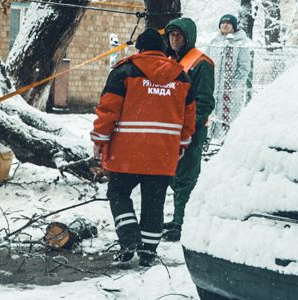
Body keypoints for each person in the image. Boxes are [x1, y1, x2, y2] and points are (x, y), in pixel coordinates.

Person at [91, 28, 196, 267]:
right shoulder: (181, 78)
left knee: (118, 193)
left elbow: (108, 110)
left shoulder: (125, 71)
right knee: (154, 202)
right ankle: (148, 252)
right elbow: (189, 119)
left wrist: (99, 140)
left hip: (127, 152)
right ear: (162, 50)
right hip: (162, 154)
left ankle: (128, 239)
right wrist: (182, 144)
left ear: (139, 48)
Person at [162, 18, 216, 242]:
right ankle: (178, 218)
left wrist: (187, 130)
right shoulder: (169, 60)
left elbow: (204, 103)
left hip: (190, 131)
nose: (174, 39)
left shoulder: (201, 64)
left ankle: (182, 222)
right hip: (171, 129)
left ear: (188, 38)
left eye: (179, 35)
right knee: (173, 178)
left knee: (186, 178)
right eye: (171, 35)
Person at [205, 14, 255, 143]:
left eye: (228, 23)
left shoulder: (241, 43)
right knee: (211, 115)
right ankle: (210, 141)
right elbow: (206, 62)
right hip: (214, 87)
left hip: (231, 91)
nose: (225, 25)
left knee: (229, 117)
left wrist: (234, 84)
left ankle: (228, 142)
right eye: (223, 22)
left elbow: (244, 67)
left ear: (234, 26)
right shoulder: (214, 42)